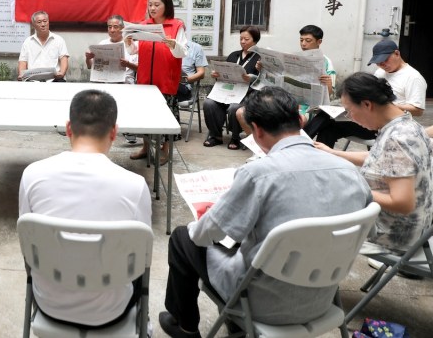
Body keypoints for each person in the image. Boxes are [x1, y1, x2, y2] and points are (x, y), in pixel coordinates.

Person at [159, 87, 371, 338]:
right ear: (301, 120)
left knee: (184, 238)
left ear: (256, 130)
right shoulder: (350, 173)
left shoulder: (258, 174)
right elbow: (369, 230)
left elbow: (205, 235)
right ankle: (233, 324)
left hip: (260, 303)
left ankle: (186, 326)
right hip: (323, 300)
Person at [19, 90, 151, 329]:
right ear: (114, 132)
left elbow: (28, 250)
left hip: (48, 303)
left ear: (69, 128)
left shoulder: (32, 175)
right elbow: (141, 259)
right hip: (110, 310)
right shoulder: (135, 186)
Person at [315, 73, 433, 253]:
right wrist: (333, 153)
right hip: (415, 227)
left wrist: (353, 188)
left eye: (349, 111)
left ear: (367, 104)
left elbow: (403, 202)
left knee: (310, 214)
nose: (350, 117)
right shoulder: (406, 123)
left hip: (391, 236)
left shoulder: (398, 139)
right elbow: (383, 158)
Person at [309, 39, 427, 147]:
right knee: (327, 123)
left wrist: (384, 104)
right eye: (379, 62)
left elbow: (418, 110)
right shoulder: (380, 72)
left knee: (327, 120)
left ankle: (301, 142)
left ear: (397, 53)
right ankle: (317, 160)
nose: (382, 65)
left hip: (382, 123)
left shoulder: (413, 77)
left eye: (385, 60)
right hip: (366, 114)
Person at [237, 24, 335, 135]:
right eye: (301, 40)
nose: (303, 44)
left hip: (307, 108)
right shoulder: (293, 58)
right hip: (283, 101)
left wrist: (328, 84)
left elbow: (329, 94)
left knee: (296, 120)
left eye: (308, 40)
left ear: (319, 42)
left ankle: (278, 145)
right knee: (241, 113)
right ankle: (260, 146)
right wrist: (263, 69)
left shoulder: (325, 62)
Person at [125, 0, 187, 160]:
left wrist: (173, 44)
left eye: (156, 4)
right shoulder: (143, 25)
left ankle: (165, 151)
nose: (152, 8)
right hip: (145, 78)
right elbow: (135, 51)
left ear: (166, 6)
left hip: (166, 78)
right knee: (145, 115)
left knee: (165, 116)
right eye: (150, 4)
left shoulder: (176, 26)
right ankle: (145, 148)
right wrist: (129, 43)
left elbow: (183, 52)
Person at [202, 25, 261, 150]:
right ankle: (216, 136)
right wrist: (216, 75)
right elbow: (223, 75)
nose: (243, 42)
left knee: (234, 107)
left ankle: (235, 137)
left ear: (255, 40)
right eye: (241, 39)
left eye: (246, 39)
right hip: (227, 90)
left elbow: (264, 81)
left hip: (246, 94)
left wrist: (253, 77)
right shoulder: (234, 55)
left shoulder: (259, 58)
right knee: (208, 103)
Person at [84, 14, 138, 85]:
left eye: (115, 27)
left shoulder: (131, 44)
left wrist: (128, 64)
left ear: (122, 28)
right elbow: (90, 66)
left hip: (125, 83)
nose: (112, 30)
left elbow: (139, 69)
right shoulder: (103, 43)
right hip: (105, 83)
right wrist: (88, 59)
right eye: (110, 27)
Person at [18, 10, 69, 81]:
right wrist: (21, 75)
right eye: (39, 22)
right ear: (33, 25)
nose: (43, 24)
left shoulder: (58, 40)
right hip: (33, 80)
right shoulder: (28, 42)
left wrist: (62, 73)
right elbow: (23, 61)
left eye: (45, 21)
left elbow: (64, 58)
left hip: (54, 79)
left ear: (48, 22)